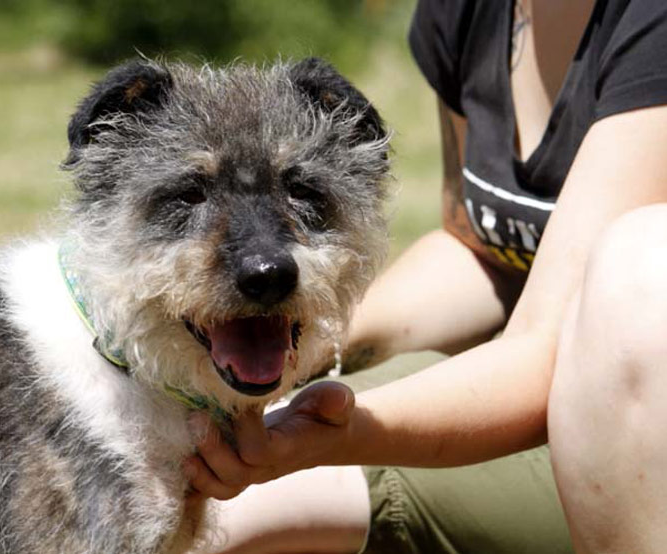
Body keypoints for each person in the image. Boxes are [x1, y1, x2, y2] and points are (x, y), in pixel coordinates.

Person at [185, 0, 667, 552]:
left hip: (634, 442)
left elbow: (543, 346)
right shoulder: (468, 12)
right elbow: (483, 250)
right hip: (537, 380)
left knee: (233, 510)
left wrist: (325, 439)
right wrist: (309, 344)